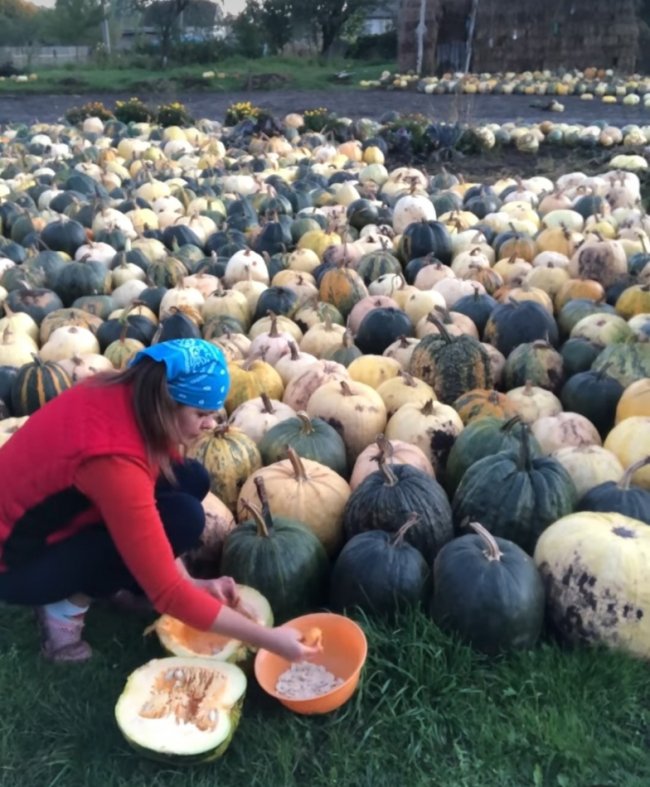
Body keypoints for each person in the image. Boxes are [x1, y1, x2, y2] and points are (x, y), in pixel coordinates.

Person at [0, 338, 318, 664]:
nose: (211, 424)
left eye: (214, 413)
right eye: (201, 414)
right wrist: (272, 640)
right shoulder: (114, 461)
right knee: (179, 520)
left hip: (59, 510)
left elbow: (150, 486)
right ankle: (62, 608)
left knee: (190, 480)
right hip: (16, 564)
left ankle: (126, 577)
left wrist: (191, 581)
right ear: (166, 403)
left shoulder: (130, 392)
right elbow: (168, 594)